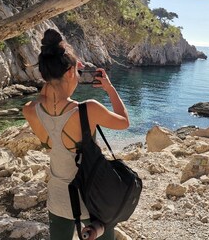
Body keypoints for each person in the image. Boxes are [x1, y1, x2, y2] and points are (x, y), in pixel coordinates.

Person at [23, 28, 129, 240]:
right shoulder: (88, 109)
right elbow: (124, 122)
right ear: (71, 72)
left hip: (57, 200)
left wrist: (56, 72)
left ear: (45, 73)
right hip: (92, 200)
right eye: (76, 71)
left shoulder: (30, 110)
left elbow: (45, 94)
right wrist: (109, 88)